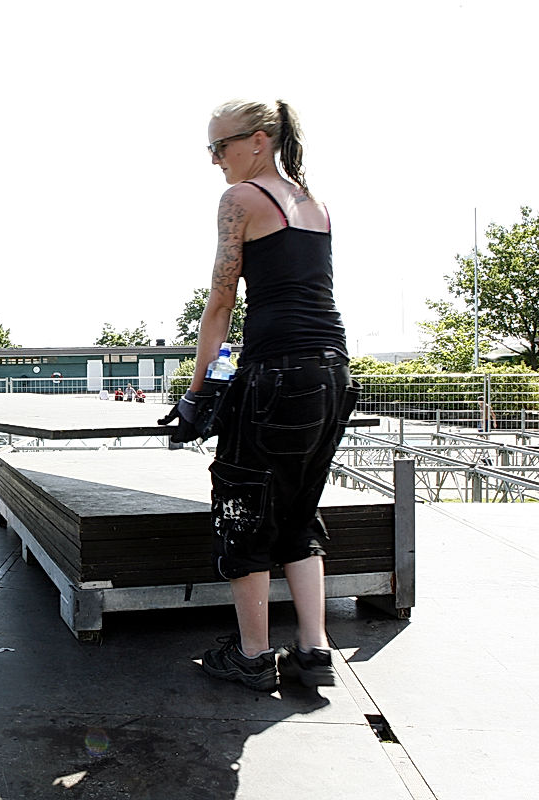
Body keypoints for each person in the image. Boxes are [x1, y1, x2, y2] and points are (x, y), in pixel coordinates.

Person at [186, 99, 359, 692]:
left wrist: (197, 392)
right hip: (331, 373)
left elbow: (220, 302)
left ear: (258, 140)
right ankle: (314, 650)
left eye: (220, 146)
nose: (215, 160)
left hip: (278, 373)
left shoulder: (241, 199)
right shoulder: (314, 204)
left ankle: (254, 656)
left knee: (242, 505)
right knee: (297, 508)